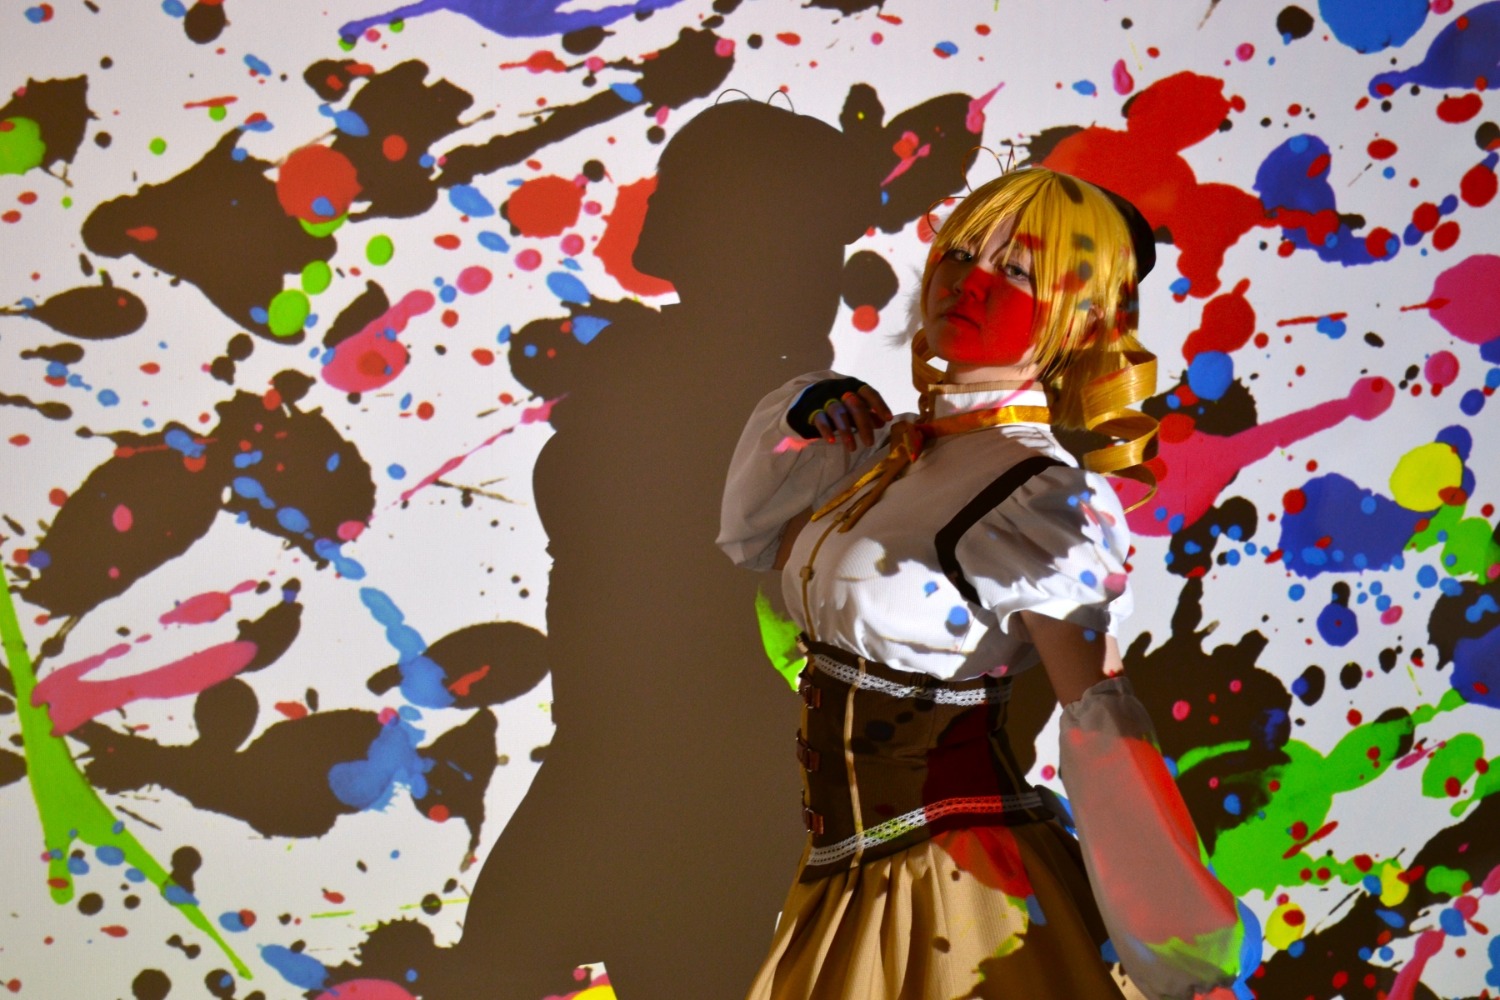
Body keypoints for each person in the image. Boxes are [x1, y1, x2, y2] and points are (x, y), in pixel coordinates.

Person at [718, 166, 1247, 1000]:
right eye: (963, 253)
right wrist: (808, 409)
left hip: (959, 891)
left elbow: (1100, 718)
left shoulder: (1040, 497)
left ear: (1081, 320)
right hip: (842, 877)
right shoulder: (885, 450)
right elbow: (753, 545)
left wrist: (1181, 957)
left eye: (1018, 270)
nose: (968, 282)